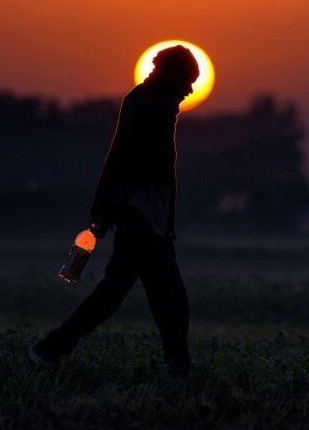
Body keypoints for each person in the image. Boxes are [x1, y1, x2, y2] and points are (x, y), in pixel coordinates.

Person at [28, 45, 199, 378]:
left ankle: (49, 349)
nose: (189, 91)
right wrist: (109, 213)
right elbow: (126, 162)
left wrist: (103, 212)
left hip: (141, 218)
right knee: (168, 299)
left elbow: (117, 161)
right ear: (173, 77)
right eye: (187, 82)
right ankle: (179, 368)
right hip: (143, 220)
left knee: (120, 294)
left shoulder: (145, 102)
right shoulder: (152, 106)